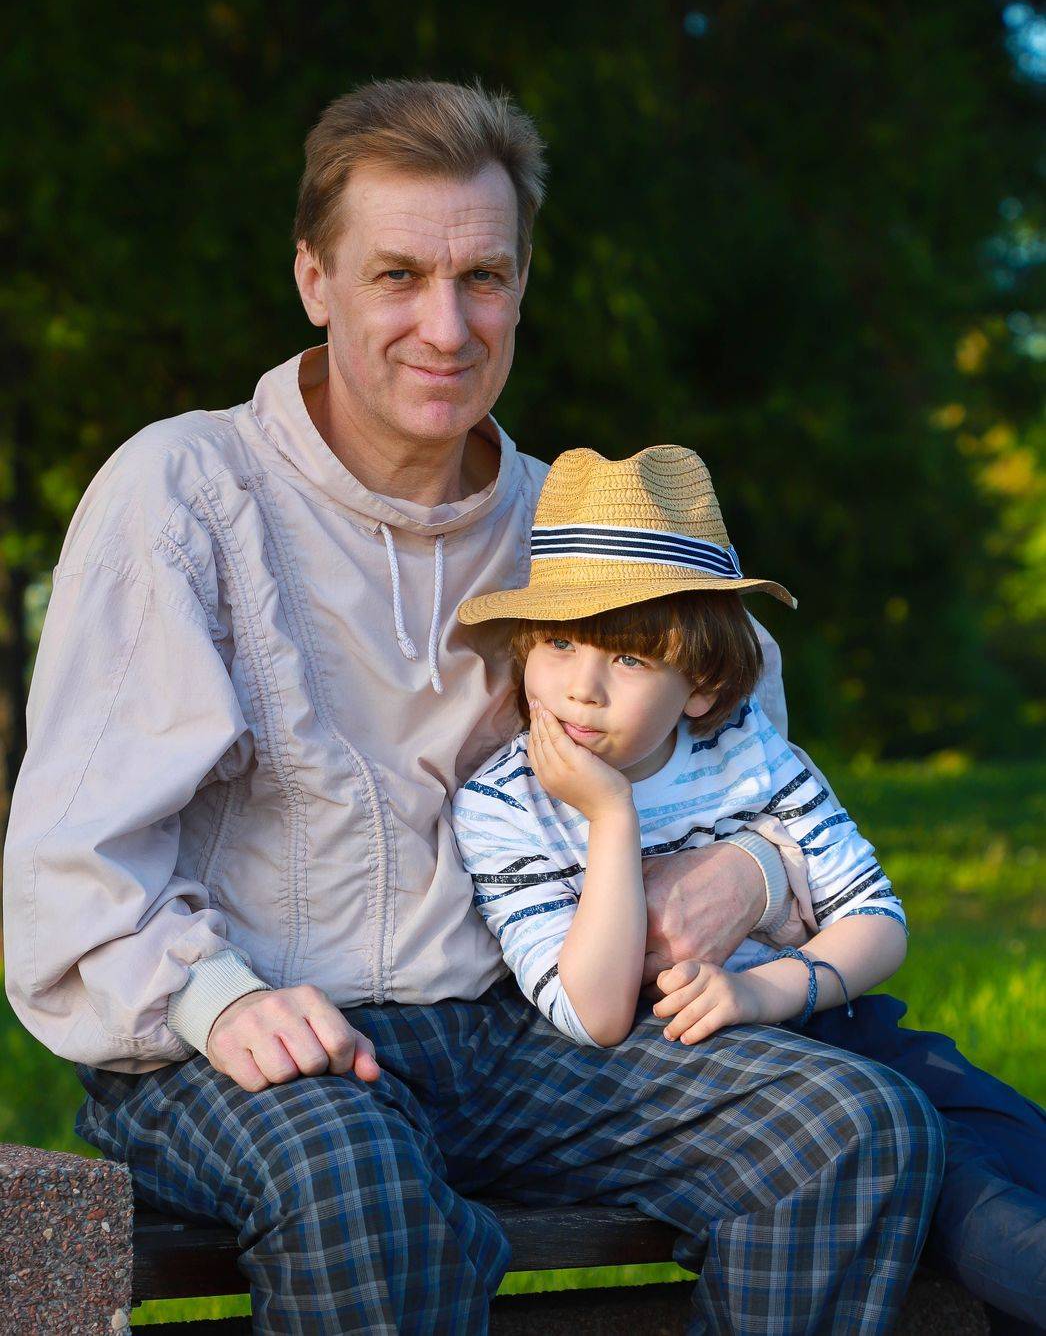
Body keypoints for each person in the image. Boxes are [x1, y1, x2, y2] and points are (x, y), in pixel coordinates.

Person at [3, 77, 962, 1334]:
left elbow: (744, 745)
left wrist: (754, 868)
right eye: (397, 276)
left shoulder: (572, 525)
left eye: (483, 279)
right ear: (314, 280)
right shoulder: (184, 493)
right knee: (362, 1198)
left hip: (518, 1037)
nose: (446, 326)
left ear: (521, 285)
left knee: (849, 1131)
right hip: (251, 1036)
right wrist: (214, 998)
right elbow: (74, 859)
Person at [453, 443, 1046, 1335]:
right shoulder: (507, 804)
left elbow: (876, 919)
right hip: (705, 1075)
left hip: (819, 1015)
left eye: (629, 660)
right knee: (980, 1205)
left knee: (1020, 1142)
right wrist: (610, 816)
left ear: (700, 685)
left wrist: (765, 990)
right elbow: (596, 1015)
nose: (582, 688)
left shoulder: (748, 754)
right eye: (562, 644)